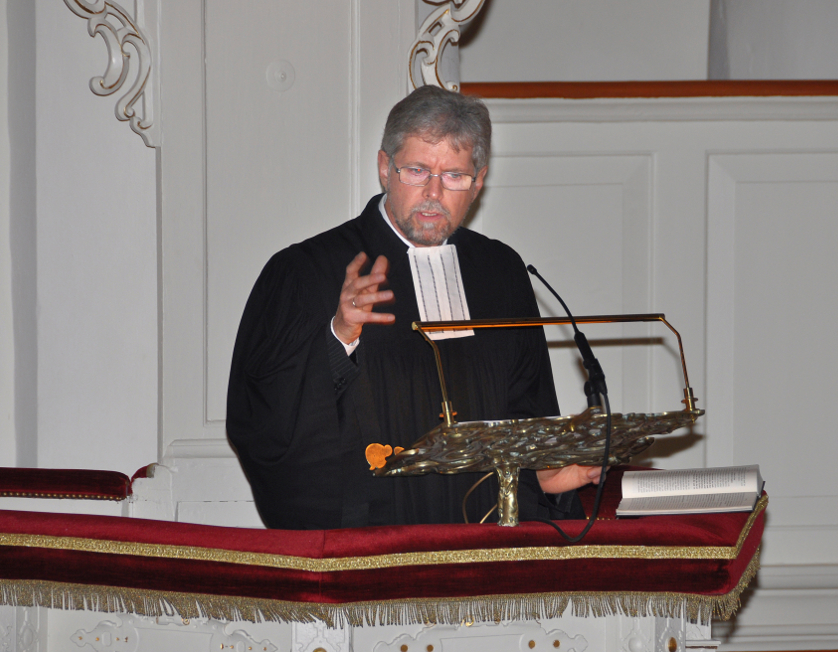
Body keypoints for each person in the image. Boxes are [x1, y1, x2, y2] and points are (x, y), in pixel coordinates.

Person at [227, 85, 600, 530]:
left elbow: (525, 413)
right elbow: (267, 424)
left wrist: (545, 477)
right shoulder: (304, 271)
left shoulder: (500, 272)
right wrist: (338, 336)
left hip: (482, 540)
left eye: (455, 176)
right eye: (417, 171)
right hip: (370, 543)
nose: (433, 193)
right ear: (385, 168)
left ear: (479, 181)